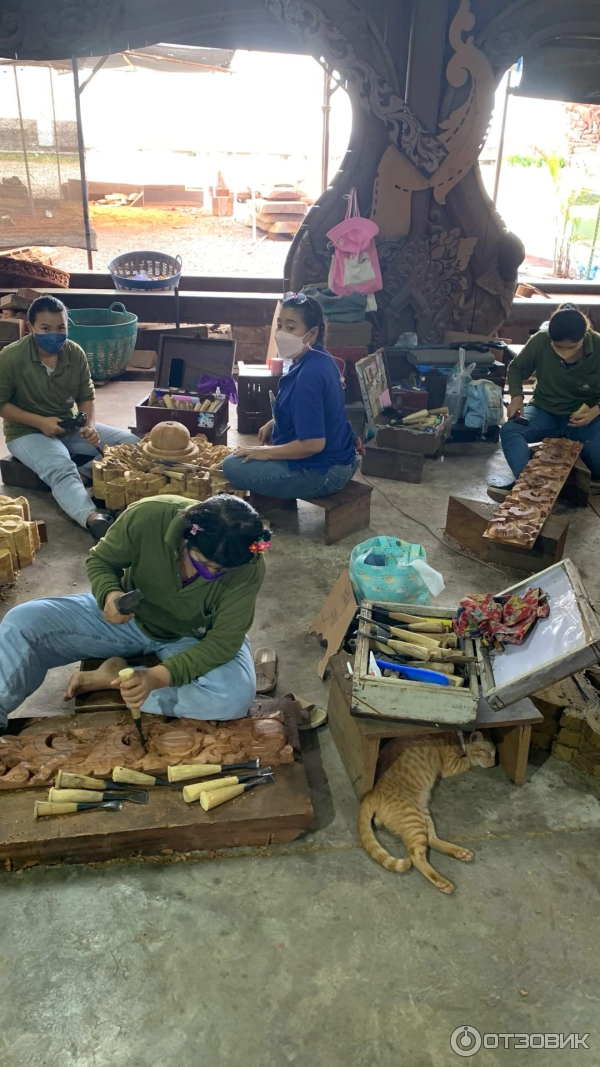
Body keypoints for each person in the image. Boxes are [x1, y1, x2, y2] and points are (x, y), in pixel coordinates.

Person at [0, 494, 271, 730]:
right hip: (132, 619)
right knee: (23, 622)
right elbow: (102, 560)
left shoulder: (247, 561)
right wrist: (109, 594)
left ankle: (114, 679)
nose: (211, 574)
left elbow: (223, 641)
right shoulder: (149, 516)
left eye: (220, 571)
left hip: (193, 637)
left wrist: (156, 677)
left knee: (234, 697)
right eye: (202, 562)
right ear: (185, 537)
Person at [0, 295, 139, 538]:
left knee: (129, 443)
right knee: (61, 466)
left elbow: (87, 395)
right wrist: (40, 422)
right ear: (31, 328)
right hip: (27, 431)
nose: (55, 334)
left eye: (61, 327)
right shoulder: (11, 357)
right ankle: (92, 517)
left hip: (70, 424)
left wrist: (89, 424)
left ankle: (86, 474)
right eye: (46, 328)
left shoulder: (75, 353)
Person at [222, 292, 359, 498]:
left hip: (324, 472)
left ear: (311, 333)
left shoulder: (310, 376)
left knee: (231, 466)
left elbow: (314, 444)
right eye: (279, 325)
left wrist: (265, 453)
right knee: (245, 455)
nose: (281, 333)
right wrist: (274, 422)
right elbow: (311, 411)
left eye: (291, 327)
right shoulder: (314, 357)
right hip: (339, 459)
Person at [490, 304, 600, 500]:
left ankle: (573, 473)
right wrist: (516, 397)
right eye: (558, 347)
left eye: (572, 348)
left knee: (597, 462)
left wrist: (594, 411)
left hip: (585, 418)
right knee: (510, 430)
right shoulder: (540, 340)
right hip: (544, 411)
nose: (564, 353)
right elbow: (516, 369)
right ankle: (526, 483)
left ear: (585, 337)